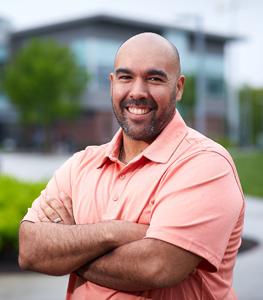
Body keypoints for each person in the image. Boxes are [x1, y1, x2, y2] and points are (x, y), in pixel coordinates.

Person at [19, 32, 245, 300]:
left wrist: (69, 249)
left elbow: (159, 266)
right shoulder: (81, 164)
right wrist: (115, 232)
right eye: (126, 77)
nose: (137, 92)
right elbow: (30, 250)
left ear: (179, 87)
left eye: (154, 78)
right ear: (113, 84)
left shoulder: (205, 164)